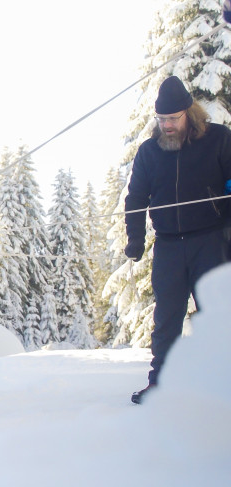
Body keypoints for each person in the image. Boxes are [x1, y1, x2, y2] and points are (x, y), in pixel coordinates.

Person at [124, 75, 231, 404]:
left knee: (214, 314)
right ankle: (162, 384)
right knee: (167, 317)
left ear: (189, 112)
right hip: (169, 244)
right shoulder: (150, 152)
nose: (167, 126)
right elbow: (136, 196)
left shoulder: (218, 139)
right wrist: (135, 238)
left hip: (210, 240)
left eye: (173, 118)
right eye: (162, 119)